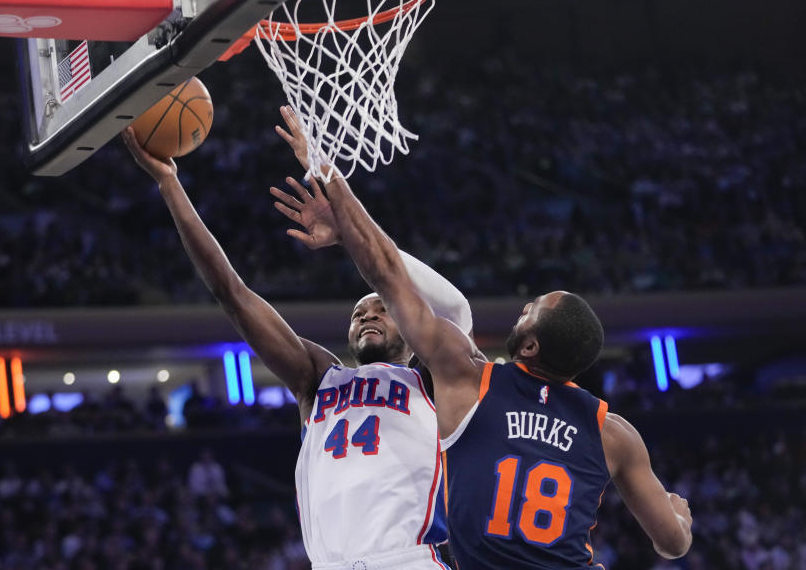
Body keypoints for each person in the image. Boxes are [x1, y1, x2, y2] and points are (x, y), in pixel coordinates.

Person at [293, 149, 694, 568]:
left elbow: (387, 274)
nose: (523, 307)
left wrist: (336, 192)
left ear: (530, 347)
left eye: (530, 309)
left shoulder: (473, 383)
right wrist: (679, 517)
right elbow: (672, 544)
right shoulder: (614, 433)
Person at [122, 116, 466, 570]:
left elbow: (434, 296)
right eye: (358, 313)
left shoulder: (436, 376)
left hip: (407, 559)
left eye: (381, 307)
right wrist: (169, 185)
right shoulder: (318, 378)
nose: (367, 315)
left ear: (409, 320)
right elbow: (232, 292)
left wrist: (341, 215)